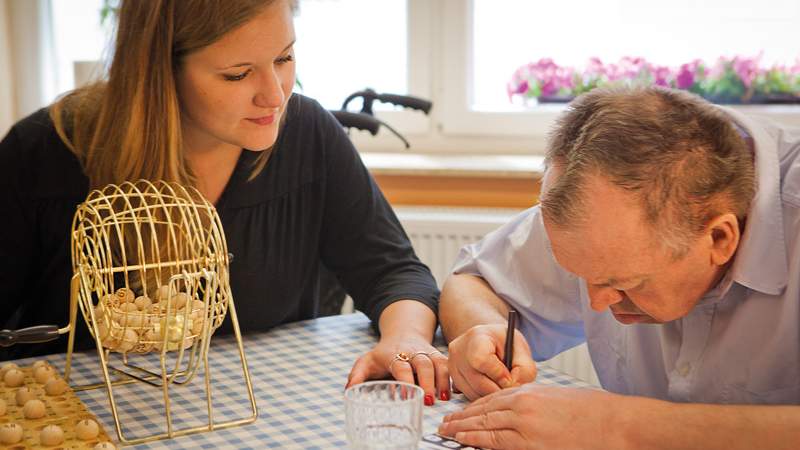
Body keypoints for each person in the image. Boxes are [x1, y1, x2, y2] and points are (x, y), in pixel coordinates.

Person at [0, 0, 450, 405]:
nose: (275, 95)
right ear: (159, 71)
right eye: (237, 73)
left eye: (284, 57)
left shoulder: (308, 135)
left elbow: (393, 271)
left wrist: (406, 339)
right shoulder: (43, 153)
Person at [437, 86, 800, 448]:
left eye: (626, 283)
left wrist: (621, 426)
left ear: (719, 239)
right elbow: (472, 281)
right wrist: (482, 328)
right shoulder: (604, 212)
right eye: (581, 278)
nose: (596, 304)